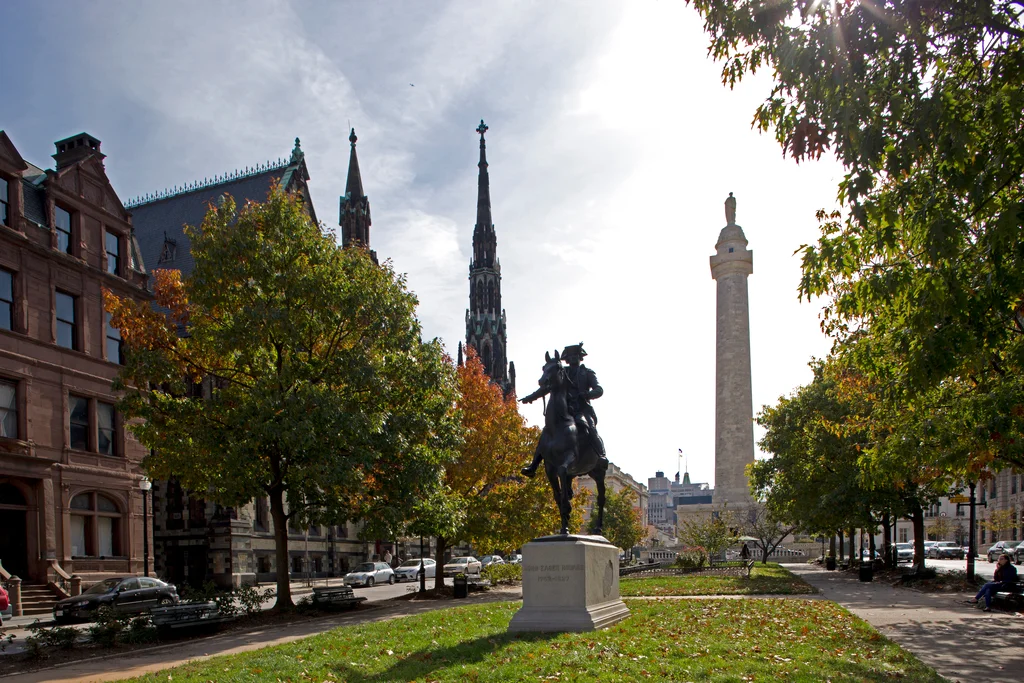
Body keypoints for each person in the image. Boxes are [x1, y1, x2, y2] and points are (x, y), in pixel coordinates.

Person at [521, 342, 607, 477]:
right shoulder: (562, 372)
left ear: (580, 357)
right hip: (565, 410)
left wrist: (587, 395)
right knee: (546, 433)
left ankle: (601, 456)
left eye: (575, 355)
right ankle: (533, 466)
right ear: (566, 359)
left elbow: (599, 389)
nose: (573, 358)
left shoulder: (587, 373)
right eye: (570, 356)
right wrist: (530, 397)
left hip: (582, 409)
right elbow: (547, 387)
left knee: (589, 427)